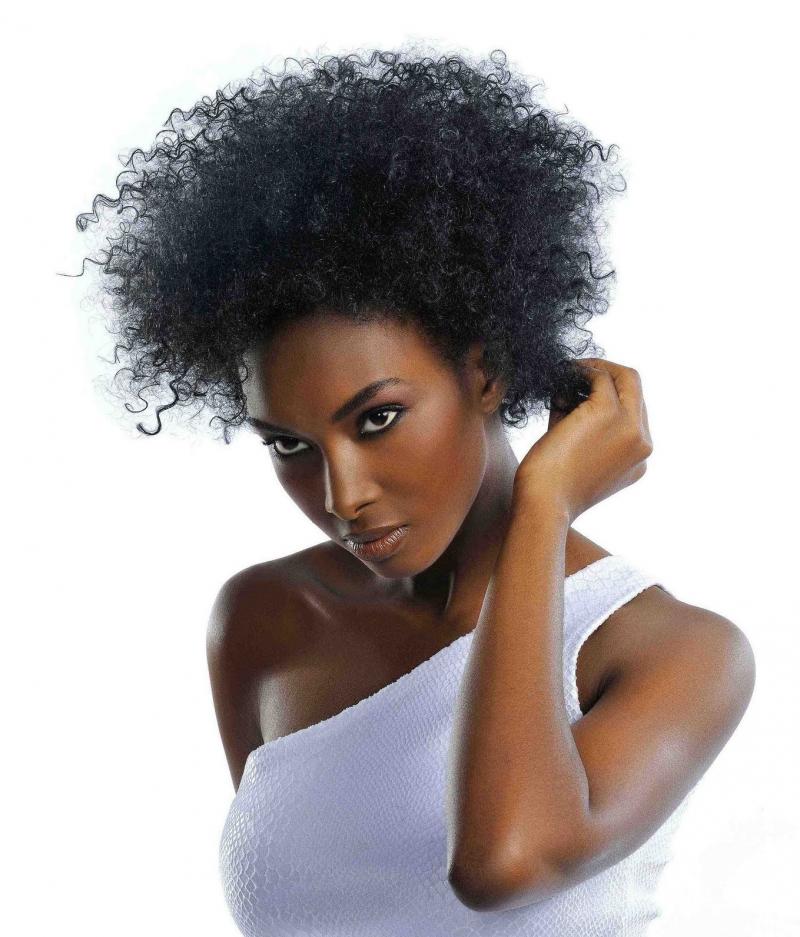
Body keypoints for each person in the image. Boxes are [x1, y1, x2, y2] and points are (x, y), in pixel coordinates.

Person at [76, 45, 755, 935]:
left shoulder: (674, 651)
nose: (341, 494)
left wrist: (545, 502)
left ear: (489, 371)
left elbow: (505, 863)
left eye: (378, 418)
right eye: (289, 443)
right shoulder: (265, 620)